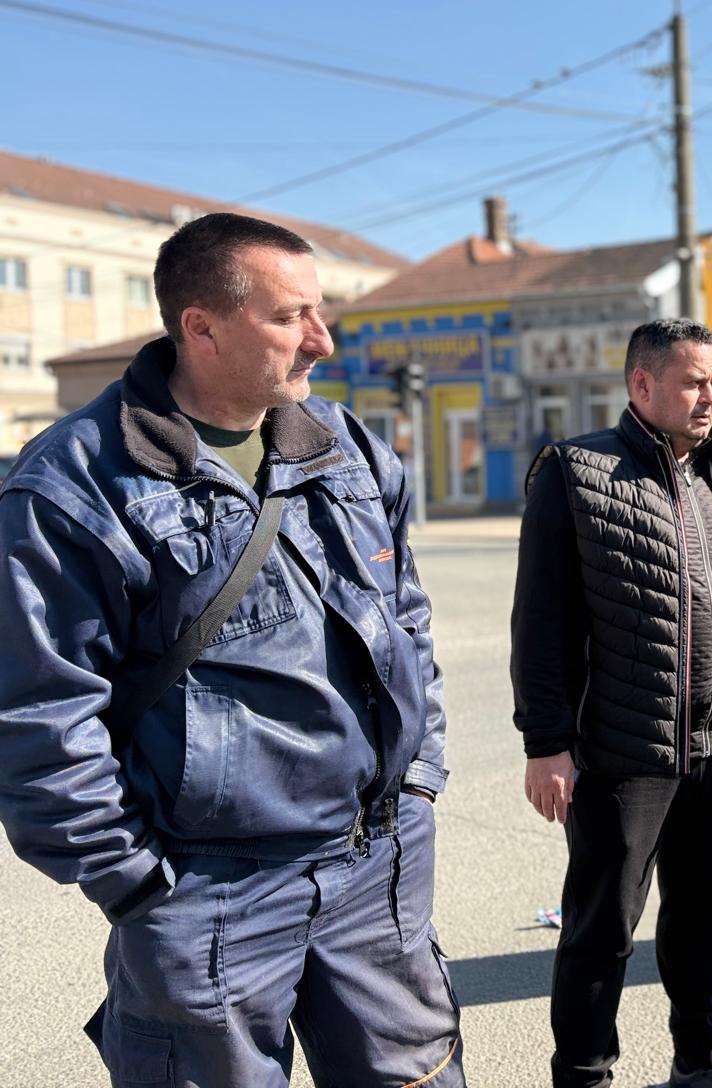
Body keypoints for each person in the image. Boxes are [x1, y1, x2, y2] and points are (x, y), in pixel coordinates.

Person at [0, 213, 464, 1086]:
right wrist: (135, 882)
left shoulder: (349, 449)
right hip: (207, 896)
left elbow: (406, 619)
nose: (322, 340)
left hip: (377, 868)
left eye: (319, 312)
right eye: (291, 317)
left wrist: (418, 785)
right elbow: (39, 718)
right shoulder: (75, 485)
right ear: (202, 328)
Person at [512, 317, 712, 1088]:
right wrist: (545, 742)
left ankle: (698, 1056)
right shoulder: (576, 474)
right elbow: (539, 621)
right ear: (642, 384)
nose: (709, 396)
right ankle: (585, 1075)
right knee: (603, 929)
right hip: (622, 748)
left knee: (703, 910)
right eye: (691, 382)